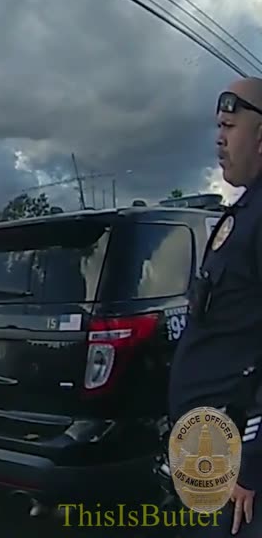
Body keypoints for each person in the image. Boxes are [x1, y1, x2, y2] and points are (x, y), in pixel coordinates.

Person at [169, 78, 262, 536]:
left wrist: (253, 468)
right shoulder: (244, 212)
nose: (219, 139)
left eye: (229, 125)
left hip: (238, 471)